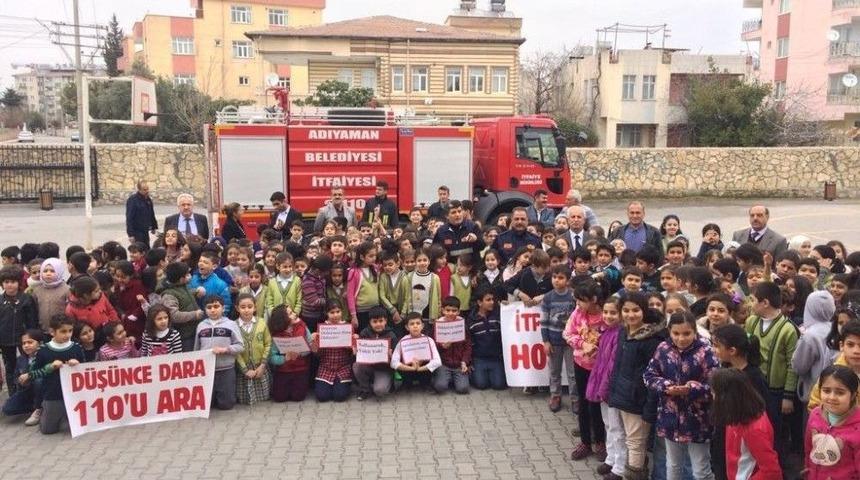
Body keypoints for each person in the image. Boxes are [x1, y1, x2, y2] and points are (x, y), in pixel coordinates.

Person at [644, 311, 719, 480]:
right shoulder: (663, 348)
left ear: (695, 331)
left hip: (699, 418)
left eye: (686, 333)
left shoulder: (706, 351)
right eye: (676, 333)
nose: (681, 338)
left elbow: (715, 384)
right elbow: (649, 375)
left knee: (701, 469)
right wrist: (665, 386)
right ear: (669, 331)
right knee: (673, 465)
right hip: (670, 416)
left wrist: (692, 388)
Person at [608, 292, 666, 480]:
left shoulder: (651, 341)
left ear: (644, 311)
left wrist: (649, 408)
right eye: (626, 310)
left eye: (635, 310)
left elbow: (653, 378)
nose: (630, 315)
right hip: (622, 395)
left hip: (637, 401)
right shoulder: (624, 331)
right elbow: (618, 366)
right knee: (629, 440)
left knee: (635, 443)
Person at [743, 282, 799, 460]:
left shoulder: (788, 329)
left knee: (773, 432)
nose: (751, 305)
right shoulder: (752, 321)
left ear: (765, 302)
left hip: (775, 391)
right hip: (752, 387)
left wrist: (788, 397)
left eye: (753, 300)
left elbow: (793, 365)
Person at [563, 279, 609, 461]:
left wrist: (599, 347)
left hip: (601, 368)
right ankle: (585, 442)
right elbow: (568, 333)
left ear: (594, 299)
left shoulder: (607, 316)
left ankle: (601, 442)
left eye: (581, 300)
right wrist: (583, 344)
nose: (578, 304)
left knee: (597, 405)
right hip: (581, 364)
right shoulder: (577, 313)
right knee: (583, 403)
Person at [710, 368, 782, 480]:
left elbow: (771, 471)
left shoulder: (755, 429)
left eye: (714, 392)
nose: (712, 396)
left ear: (727, 397)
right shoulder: (735, 416)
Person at [587, 297, 626, 480]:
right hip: (602, 383)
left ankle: (620, 466)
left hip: (611, 387)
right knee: (608, 424)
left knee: (617, 428)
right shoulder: (606, 331)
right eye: (606, 312)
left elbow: (612, 365)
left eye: (613, 313)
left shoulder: (620, 334)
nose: (609, 316)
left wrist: (605, 387)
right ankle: (611, 458)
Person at [29, 314, 85, 434]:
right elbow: (33, 374)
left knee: (77, 426)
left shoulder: (76, 347)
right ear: (52, 332)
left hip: (74, 395)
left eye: (70, 331)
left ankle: (66, 417)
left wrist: (78, 365)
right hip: (53, 395)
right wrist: (50, 367)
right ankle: (45, 412)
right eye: (63, 331)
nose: (67, 335)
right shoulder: (43, 350)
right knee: (48, 430)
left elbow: (87, 371)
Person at [805, 365, 860, 480]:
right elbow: (809, 448)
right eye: (826, 391)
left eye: (840, 393)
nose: (832, 397)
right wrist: (808, 470)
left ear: (853, 395)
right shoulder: (815, 414)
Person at [195, 295, 244, 410]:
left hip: (226, 368)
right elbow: (196, 349)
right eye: (209, 307)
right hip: (207, 370)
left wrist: (226, 349)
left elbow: (240, 346)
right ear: (205, 310)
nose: (213, 310)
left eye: (216, 306)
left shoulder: (231, 324)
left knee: (226, 405)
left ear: (223, 308)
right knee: (207, 405)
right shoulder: (201, 326)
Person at [792, 291, 837, 404]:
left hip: (815, 393)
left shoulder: (810, 335)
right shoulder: (835, 328)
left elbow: (799, 366)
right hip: (834, 390)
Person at [0, 266, 37, 394]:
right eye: (6, 282)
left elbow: (32, 320)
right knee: (9, 367)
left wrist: (31, 337)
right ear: (2, 284)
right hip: (5, 341)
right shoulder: (0, 301)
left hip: (24, 340)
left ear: (18, 283)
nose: (9, 285)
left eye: (13, 282)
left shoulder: (26, 299)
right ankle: (13, 393)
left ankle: (28, 392)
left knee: (27, 365)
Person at [268, 305, 312, 402]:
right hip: (284, 370)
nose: (295, 314)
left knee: (298, 397)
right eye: (290, 314)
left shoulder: (302, 326)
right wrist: (284, 359)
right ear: (283, 319)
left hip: (301, 368)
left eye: (292, 312)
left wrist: (300, 353)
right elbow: (272, 357)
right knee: (279, 398)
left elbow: (310, 346)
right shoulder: (276, 334)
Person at [310, 302, 353, 402]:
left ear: (342, 312)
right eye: (332, 312)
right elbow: (317, 354)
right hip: (326, 367)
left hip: (343, 368)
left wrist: (352, 345)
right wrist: (314, 344)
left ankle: (344, 385)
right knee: (322, 396)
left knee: (340, 396)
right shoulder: (322, 329)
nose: (335, 315)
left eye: (338, 312)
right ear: (327, 313)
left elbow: (353, 353)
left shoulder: (347, 327)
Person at [234, 293, 272, 405]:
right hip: (244, 369)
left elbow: (268, 343)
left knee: (264, 397)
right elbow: (235, 351)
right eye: (243, 307)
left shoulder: (261, 323)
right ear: (237, 308)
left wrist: (263, 364)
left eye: (250, 307)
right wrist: (245, 369)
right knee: (243, 399)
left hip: (260, 366)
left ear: (255, 307)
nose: (246, 310)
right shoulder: (234, 325)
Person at [352, 306, 397, 400]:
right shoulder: (364, 333)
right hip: (369, 366)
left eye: (381, 321)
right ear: (370, 322)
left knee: (380, 391)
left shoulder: (391, 335)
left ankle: (388, 382)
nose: (378, 324)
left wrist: (391, 356)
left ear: (386, 321)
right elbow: (360, 354)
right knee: (356, 365)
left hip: (384, 368)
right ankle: (365, 389)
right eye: (375, 322)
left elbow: (396, 360)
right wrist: (356, 351)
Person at [2, 329, 44, 425]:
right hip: (27, 391)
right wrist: (20, 381)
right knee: (7, 409)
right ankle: (37, 406)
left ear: (40, 343)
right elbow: (15, 377)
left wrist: (30, 376)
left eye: (30, 342)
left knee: (38, 381)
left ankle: (39, 408)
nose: (26, 345)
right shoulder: (21, 359)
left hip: (43, 389)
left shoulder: (44, 355)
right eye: (24, 343)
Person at [468, 287, 506, 390]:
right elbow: (469, 343)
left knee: (499, 385)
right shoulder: (471, 321)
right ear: (480, 302)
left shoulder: (498, 316)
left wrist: (507, 307)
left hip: (496, 358)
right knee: (481, 385)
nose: (492, 302)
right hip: (479, 359)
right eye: (488, 300)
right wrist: (469, 362)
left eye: (493, 299)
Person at [432, 297, 471, 394]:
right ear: (442, 310)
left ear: (458, 312)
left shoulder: (462, 325)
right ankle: (443, 378)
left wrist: (465, 361)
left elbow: (468, 345)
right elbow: (432, 345)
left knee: (463, 389)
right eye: (448, 310)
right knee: (440, 387)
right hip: (444, 364)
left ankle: (454, 379)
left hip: (459, 364)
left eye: (454, 311)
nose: (450, 313)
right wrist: (442, 346)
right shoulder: (438, 325)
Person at [392, 313, 442, 389]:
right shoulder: (402, 341)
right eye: (412, 324)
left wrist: (420, 368)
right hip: (408, 370)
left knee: (430, 362)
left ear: (422, 326)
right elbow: (393, 362)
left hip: (423, 370)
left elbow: (438, 361)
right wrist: (411, 368)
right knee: (400, 362)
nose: (415, 326)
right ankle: (407, 383)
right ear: (407, 327)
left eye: (418, 323)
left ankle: (425, 383)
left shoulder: (429, 340)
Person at [125, 180, 158, 248]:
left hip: (145, 231)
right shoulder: (133, 200)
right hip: (136, 231)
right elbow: (129, 218)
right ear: (139, 190)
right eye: (144, 190)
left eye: (147, 189)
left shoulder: (148, 199)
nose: (147, 191)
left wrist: (154, 226)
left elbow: (151, 213)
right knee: (139, 250)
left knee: (147, 249)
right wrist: (130, 234)